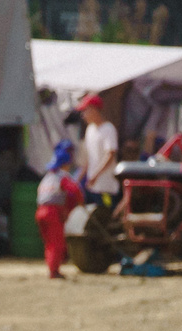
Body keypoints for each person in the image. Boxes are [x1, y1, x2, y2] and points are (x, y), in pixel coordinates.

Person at [34, 139, 84, 279]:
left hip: (40, 211)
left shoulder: (47, 178)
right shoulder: (63, 177)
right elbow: (74, 190)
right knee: (57, 242)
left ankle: (51, 266)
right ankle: (54, 271)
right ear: (66, 164)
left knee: (49, 242)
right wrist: (81, 203)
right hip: (52, 212)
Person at [75, 94, 119, 209]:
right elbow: (90, 157)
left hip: (106, 187)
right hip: (92, 186)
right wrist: (79, 178)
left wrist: (95, 175)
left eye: (86, 111)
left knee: (106, 214)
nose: (83, 115)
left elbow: (110, 154)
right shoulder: (90, 130)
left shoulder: (108, 129)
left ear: (94, 110)